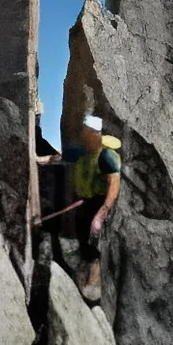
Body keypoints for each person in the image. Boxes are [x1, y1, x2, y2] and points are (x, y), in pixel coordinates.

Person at [46, 114, 121, 302]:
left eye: (88, 134)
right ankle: (85, 271)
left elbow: (114, 182)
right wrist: (40, 158)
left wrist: (104, 209)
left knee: (95, 240)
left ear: (96, 135)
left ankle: (94, 282)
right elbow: (58, 157)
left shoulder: (106, 155)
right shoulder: (81, 151)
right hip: (85, 202)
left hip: (101, 202)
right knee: (82, 234)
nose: (84, 137)